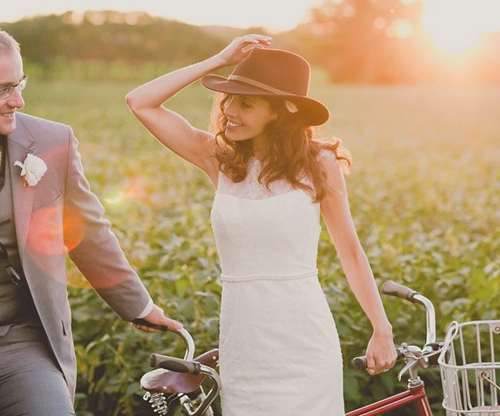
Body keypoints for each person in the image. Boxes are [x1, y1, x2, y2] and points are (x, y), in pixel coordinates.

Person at [0, 22, 180, 416]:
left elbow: (88, 233)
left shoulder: (53, 141)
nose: (18, 101)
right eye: (2, 90)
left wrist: (138, 305)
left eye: (20, 84)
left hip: (18, 342)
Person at [125, 34, 397, 415]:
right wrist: (217, 60)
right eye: (228, 98)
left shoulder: (319, 164)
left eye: (246, 103)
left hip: (305, 344)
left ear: (282, 110)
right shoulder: (218, 158)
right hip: (244, 346)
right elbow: (140, 101)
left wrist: (380, 328)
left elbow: (350, 251)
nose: (229, 111)